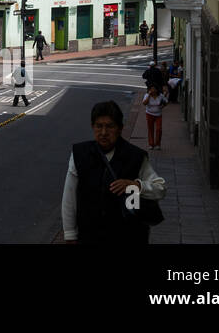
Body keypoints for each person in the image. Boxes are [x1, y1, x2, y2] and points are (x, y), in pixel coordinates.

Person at [62, 100, 166, 244]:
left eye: (110, 126)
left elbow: (160, 189)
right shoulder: (80, 154)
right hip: (90, 235)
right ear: (93, 127)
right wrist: (70, 234)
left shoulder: (135, 156)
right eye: (99, 126)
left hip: (129, 235)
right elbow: (69, 197)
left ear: (120, 128)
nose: (104, 132)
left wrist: (135, 186)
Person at [142, 84, 167, 150]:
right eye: (151, 89)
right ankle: (151, 144)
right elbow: (144, 103)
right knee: (150, 129)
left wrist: (162, 106)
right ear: (149, 90)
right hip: (149, 114)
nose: (153, 90)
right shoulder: (147, 95)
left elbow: (166, 102)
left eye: (154, 89)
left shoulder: (160, 96)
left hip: (158, 115)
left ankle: (158, 144)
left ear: (156, 90)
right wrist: (149, 96)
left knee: (159, 129)